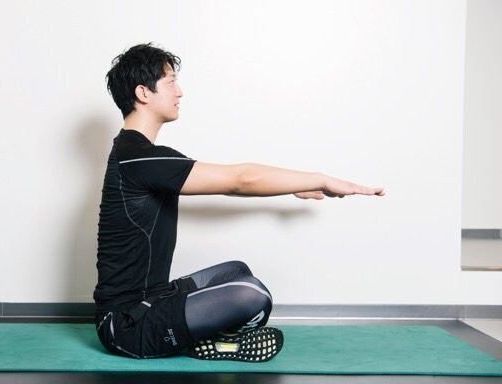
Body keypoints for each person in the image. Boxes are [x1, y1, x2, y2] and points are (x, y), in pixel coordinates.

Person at [94, 43, 385, 362]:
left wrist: (295, 188)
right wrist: (321, 179)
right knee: (252, 295)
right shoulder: (137, 158)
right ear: (143, 93)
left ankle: (198, 334)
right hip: (125, 326)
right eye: (171, 82)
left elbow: (233, 185)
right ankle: (210, 342)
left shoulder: (137, 154)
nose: (180, 91)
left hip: (153, 299)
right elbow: (241, 179)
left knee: (237, 271)